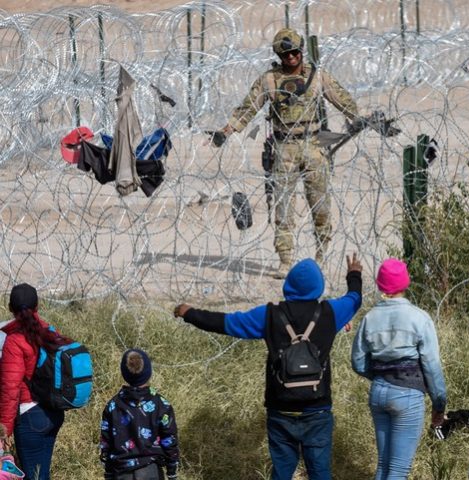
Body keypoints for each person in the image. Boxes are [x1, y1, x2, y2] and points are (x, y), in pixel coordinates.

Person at [173, 254, 362, 480]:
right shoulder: (331, 312)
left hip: (281, 407)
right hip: (317, 409)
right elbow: (354, 299)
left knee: (282, 470)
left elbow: (225, 323)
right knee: (320, 471)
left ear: (288, 285)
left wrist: (188, 312)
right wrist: (354, 274)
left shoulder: (269, 314)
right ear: (319, 287)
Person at [211, 28, 361, 278]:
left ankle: (322, 254)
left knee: (320, 205)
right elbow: (247, 109)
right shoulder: (268, 80)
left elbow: (343, 100)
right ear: (279, 56)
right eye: (286, 54)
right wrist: (225, 132)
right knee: (282, 207)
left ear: (301, 51)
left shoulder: (317, 76)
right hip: (284, 148)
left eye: (295, 52)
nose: (291, 57)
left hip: (314, 144)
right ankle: (285, 260)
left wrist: (361, 119)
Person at [351, 258, 447, 480]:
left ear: (380, 284)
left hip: (378, 392)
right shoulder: (419, 318)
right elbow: (431, 366)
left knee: (384, 465)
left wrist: (380, 376)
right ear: (406, 282)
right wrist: (439, 402)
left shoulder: (369, 318)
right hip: (408, 396)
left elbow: (357, 361)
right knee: (398, 470)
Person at [0, 283, 71, 480]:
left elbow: (10, 388)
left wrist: (4, 430)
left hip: (30, 417)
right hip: (54, 413)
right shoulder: (49, 332)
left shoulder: (14, 341)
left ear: (10, 308)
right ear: (37, 306)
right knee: (42, 474)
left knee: (35, 476)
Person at [100, 349, 179, 480]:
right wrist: (172, 471)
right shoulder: (161, 404)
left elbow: (106, 443)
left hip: (121, 472)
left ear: (124, 374)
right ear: (148, 373)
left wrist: (108, 472)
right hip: (151, 471)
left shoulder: (113, 405)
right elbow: (169, 441)